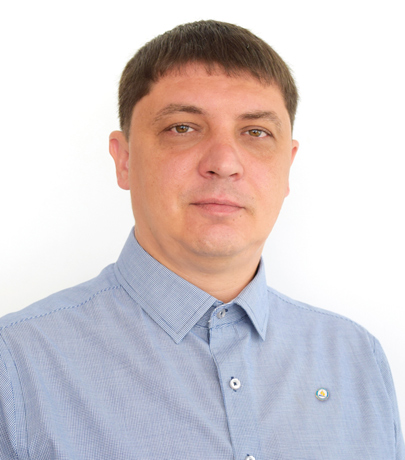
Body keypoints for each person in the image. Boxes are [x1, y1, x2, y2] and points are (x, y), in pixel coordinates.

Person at [0, 20, 403, 460]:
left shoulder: (357, 357)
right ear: (124, 159)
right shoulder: (16, 365)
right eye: (183, 128)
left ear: (287, 166)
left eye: (256, 132)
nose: (224, 163)